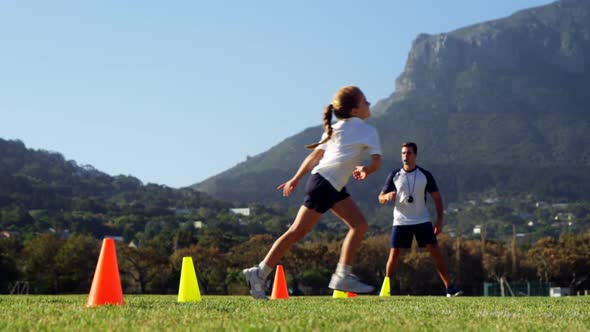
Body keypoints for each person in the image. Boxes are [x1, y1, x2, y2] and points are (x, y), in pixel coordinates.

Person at [243, 86, 382, 300]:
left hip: (326, 184)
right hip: (326, 184)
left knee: (356, 225)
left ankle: (261, 272)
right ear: (354, 110)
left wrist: (297, 179)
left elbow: (313, 158)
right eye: (365, 101)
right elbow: (376, 163)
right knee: (298, 232)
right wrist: (366, 169)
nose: (369, 104)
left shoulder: (334, 128)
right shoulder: (367, 130)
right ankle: (261, 272)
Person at [378, 142, 462, 297]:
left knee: (436, 253)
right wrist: (386, 196)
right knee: (394, 255)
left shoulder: (425, 175)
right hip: (401, 221)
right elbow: (380, 198)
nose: (405, 156)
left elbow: (437, 198)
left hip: (422, 220)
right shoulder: (394, 175)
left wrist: (439, 221)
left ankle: (449, 288)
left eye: (409, 153)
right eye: (403, 153)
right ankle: (386, 290)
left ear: (415, 155)